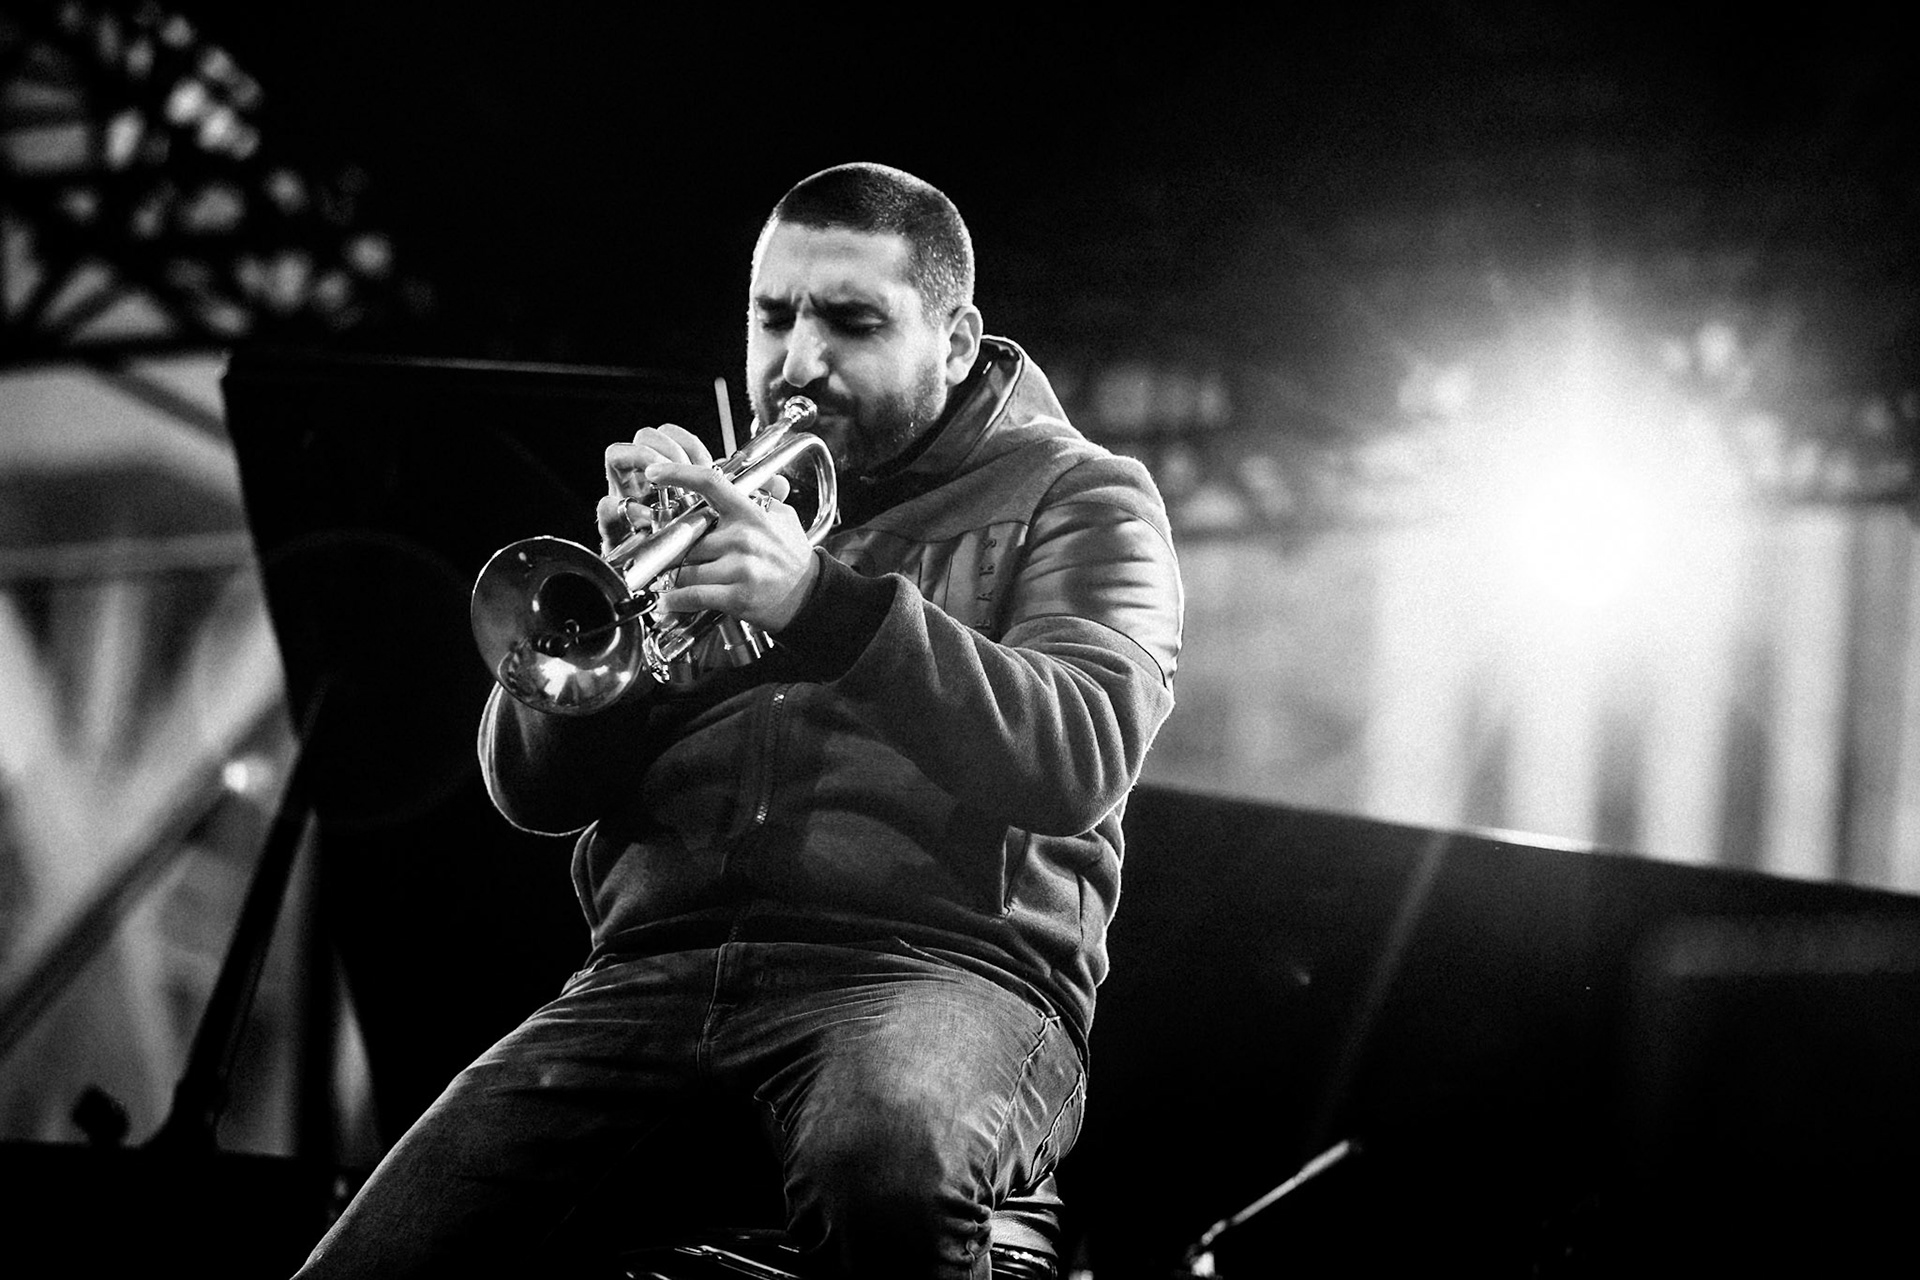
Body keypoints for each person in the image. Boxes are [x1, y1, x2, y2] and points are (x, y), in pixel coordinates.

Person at [294, 162, 1183, 1279]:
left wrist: (821, 604)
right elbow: (530, 792)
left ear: (955, 343)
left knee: (885, 1156)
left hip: (942, 974)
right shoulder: (716, 496)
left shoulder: (1085, 496)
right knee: (375, 1259)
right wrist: (620, 607)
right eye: (774, 316)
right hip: (653, 974)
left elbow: (1080, 747)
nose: (797, 361)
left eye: (852, 321)